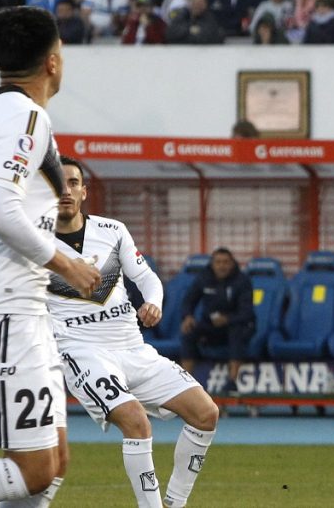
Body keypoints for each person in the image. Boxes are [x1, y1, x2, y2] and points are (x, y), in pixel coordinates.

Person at [0, 6, 100, 505]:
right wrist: (69, 264)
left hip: (25, 308)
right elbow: (0, 211)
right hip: (5, 308)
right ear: (53, 61)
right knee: (31, 471)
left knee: (53, 464)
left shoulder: (0, 113)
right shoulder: (23, 117)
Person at [49, 157, 218, 508]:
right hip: (82, 350)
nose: (65, 190)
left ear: (84, 191)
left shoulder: (112, 231)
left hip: (132, 346)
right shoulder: (35, 244)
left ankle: (175, 502)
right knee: (135, 421)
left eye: (73, 183)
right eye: (57, 183)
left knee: (206, 413)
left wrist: (153, 302)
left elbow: (146, 278)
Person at [180, 248, 255, 396]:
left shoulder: (242, 281)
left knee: (237, 330)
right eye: (218, 262)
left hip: (236, 325)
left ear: (232, 264)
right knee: (188, 331)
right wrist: (188, 316)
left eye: (226, 262)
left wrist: (227, 319)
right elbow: (188, 301)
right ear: (212, 264)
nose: (222, 266)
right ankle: (185, 384)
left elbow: (247, 313)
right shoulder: (203, 278)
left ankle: (232, 382)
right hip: (211, 327)